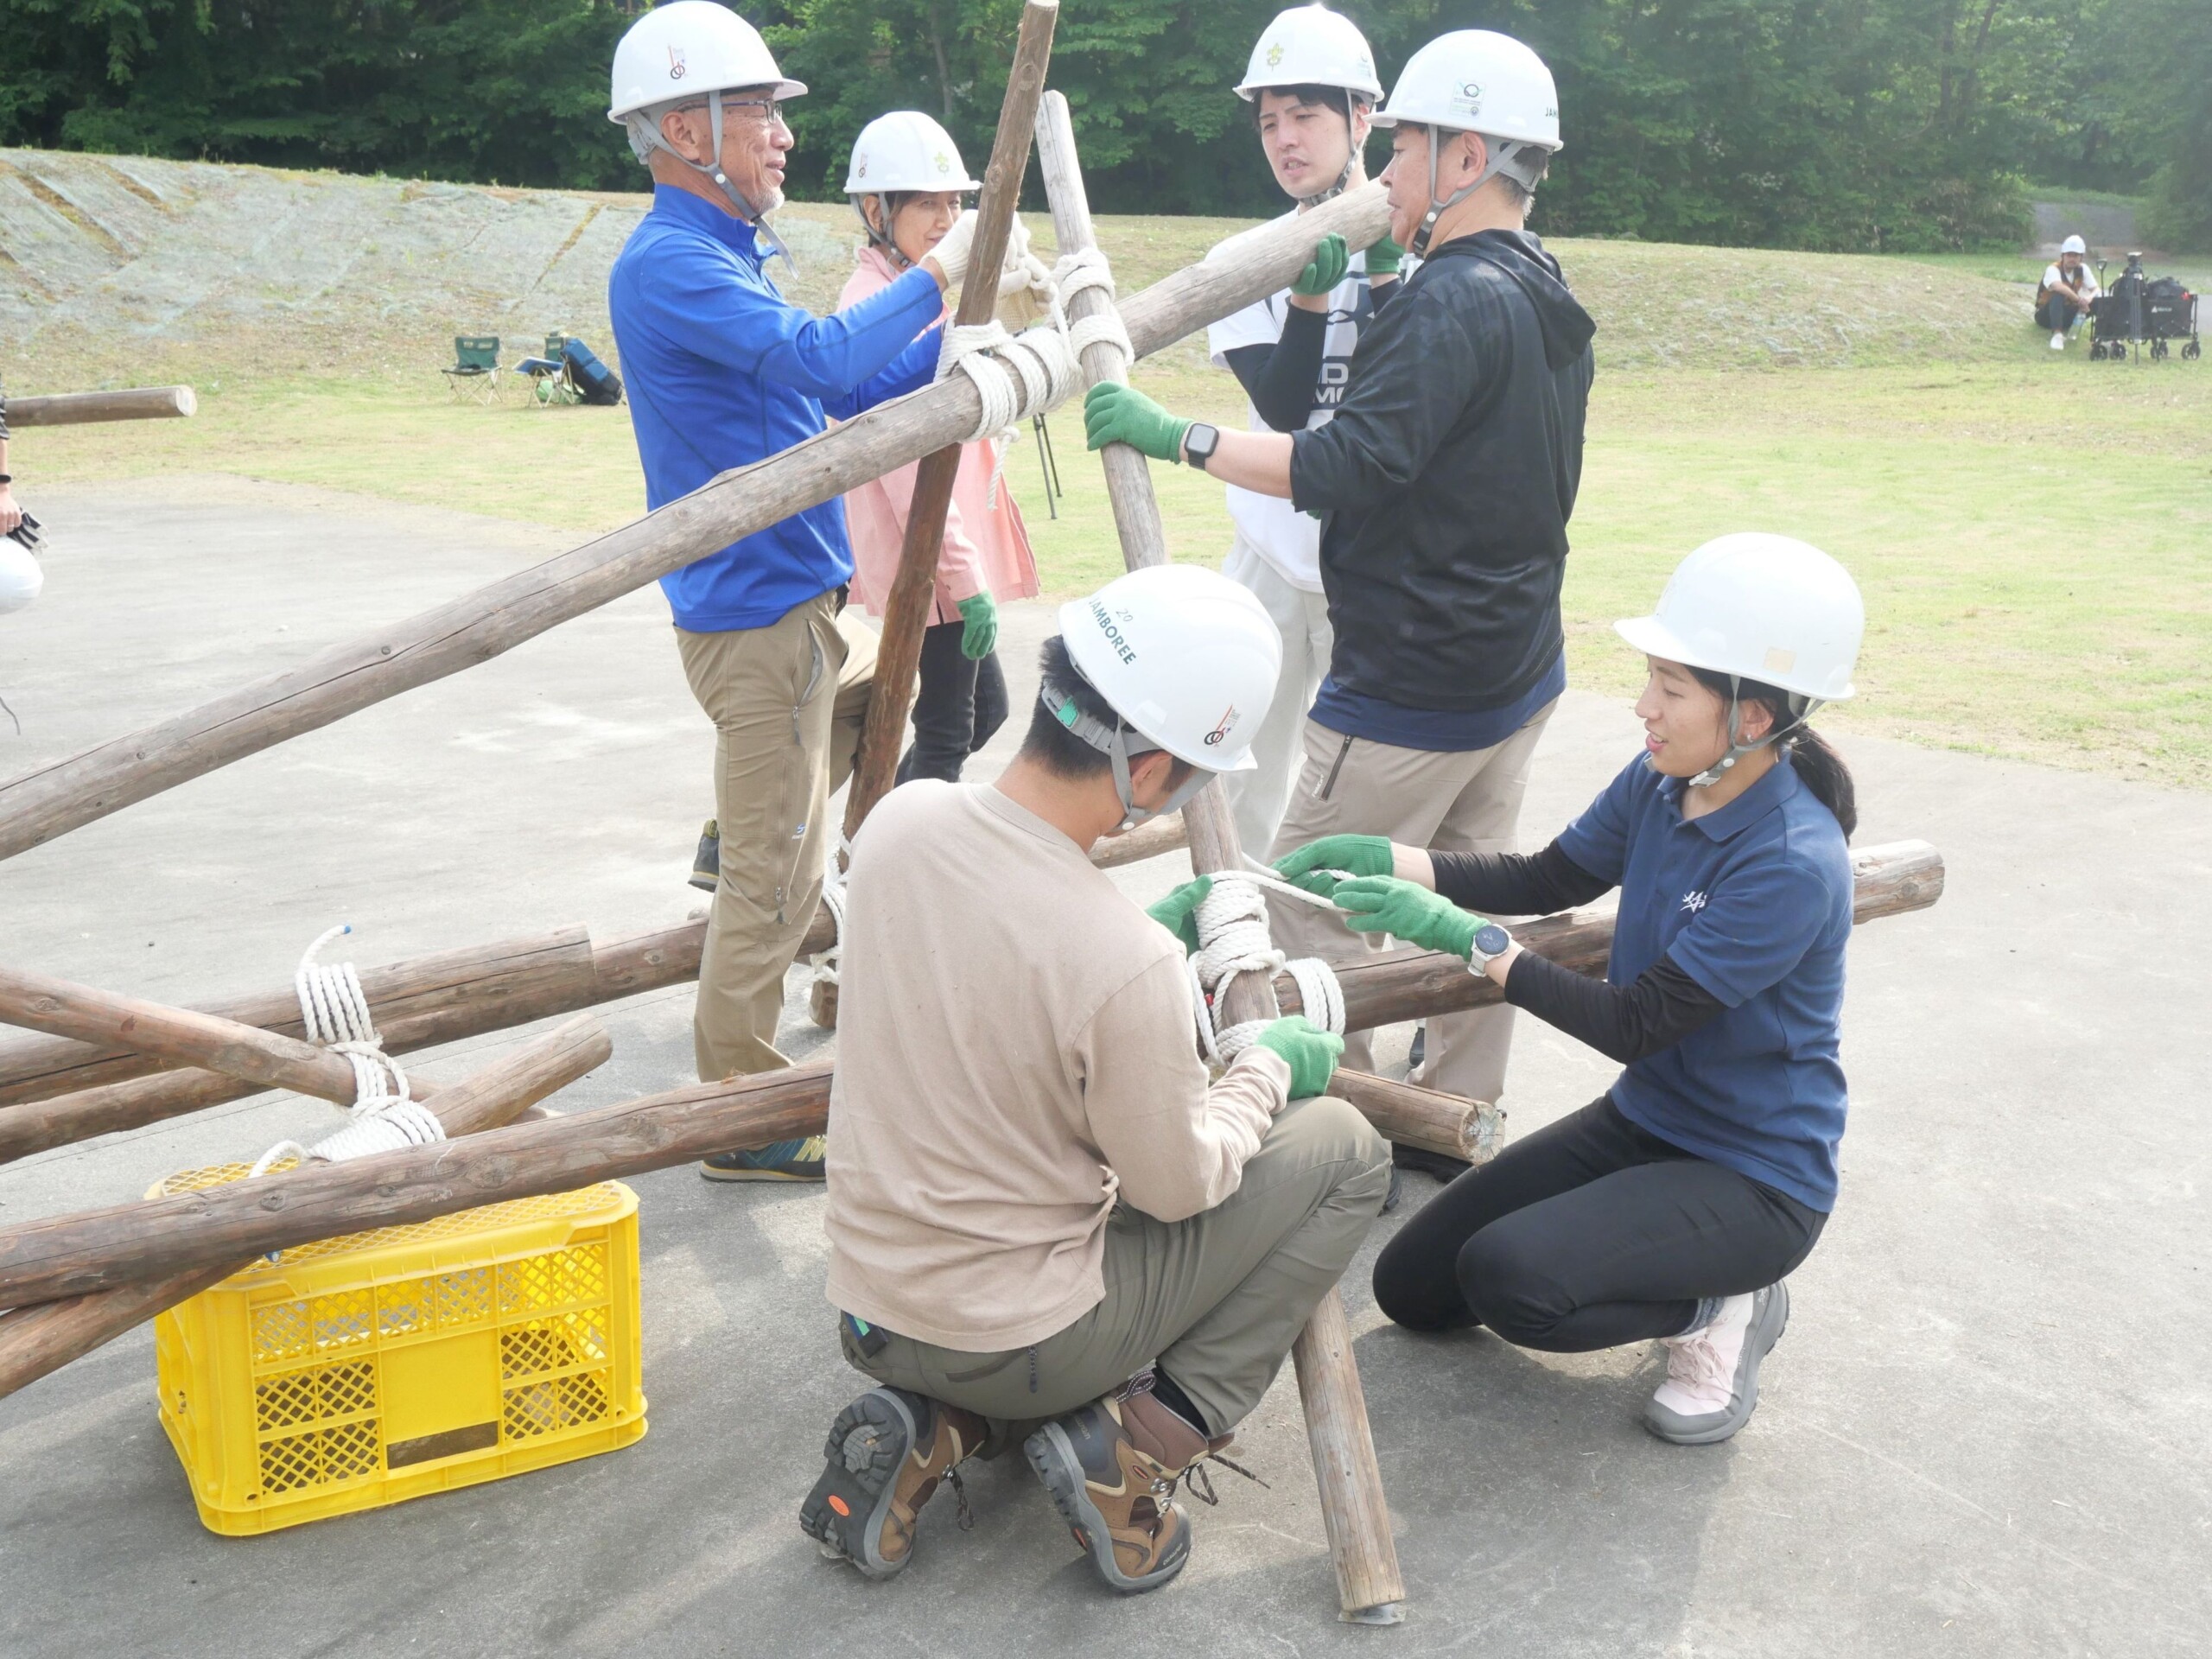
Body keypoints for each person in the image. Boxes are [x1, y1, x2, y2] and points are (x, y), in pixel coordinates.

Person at [801, 564, 1392, 1593]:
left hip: (868, 1312)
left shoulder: (899, 823)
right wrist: (1257, 1069)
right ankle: (1141, 1445)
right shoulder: (1124, 962)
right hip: (1020, 1338)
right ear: (1157, 772)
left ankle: (937, 1427)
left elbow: (984, 972)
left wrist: (1140, 968)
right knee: (1344, 1146)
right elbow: (1176, 1186)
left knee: (1028, 1253)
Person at [1083, 29, 1594, 1158]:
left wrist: (1182, 436)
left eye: (1406, 145)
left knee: (1306, 904)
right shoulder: (1541, 285)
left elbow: (1344, 463)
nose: (1392, 169)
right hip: (1517, 668)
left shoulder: (1451, 297)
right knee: (1463, 902)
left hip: (1414, 679)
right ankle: (1455, 1117)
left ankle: (1335, 1128)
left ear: (1468, 156)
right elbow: (1398, 425)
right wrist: (1339, 299)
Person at [1279, 533, 1863, 1446]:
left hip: (1753, 1176)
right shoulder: (1663, 781)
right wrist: (1400, 861)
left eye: (1670, 689)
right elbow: (1552, 875)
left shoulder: (1789, 862)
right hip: (1645, 1126)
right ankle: (1674, 1273)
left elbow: (1635, 1023)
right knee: (1415, 1289)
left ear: (1751, 717)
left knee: (1516, 1283)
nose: (1644, 708)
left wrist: (1473, 945)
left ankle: (1717, 1307)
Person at [605, 1, 1020, 1180]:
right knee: (773, 874)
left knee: (843, 756)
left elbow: (851, 396)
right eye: (762, 115)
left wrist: (960, 339)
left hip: (794, 608)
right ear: (688, 127)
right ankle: (741, 1110)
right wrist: (939, 269)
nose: (785, 136)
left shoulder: (724, 253)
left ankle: (743, 818)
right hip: (753, 614)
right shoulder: (673, 262)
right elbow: (825, 361)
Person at [1205, 3, 1400, 855]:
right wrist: (1310, 298)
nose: (1285, 139)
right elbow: (1285, 410)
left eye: (1306, 116)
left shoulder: (1421, 247)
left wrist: (1389, 284)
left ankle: (1354, 971)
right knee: (1236, 777)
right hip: (1271, 560)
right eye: (1269, 121)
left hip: (1379, 566)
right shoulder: (1244, 261)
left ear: (1362, 117)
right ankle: (1230, 953)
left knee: (1366, 792)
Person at [839, 110, 1039, 786]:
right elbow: (903, 467)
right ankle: (887, 862)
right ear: (876, 208)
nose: (946, 218)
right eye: (926, 203)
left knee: (985, 714)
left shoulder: (923, 295)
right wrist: (965, 579)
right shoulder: (873, 303)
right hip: (928, 559)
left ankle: (869, 841)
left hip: (941, 559)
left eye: (955, 201)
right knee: (950, 733)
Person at [2037, 234, 2101, 350]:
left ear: (2081, 257)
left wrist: (2089, 299)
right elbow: (2058, 286)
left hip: (2067, 314)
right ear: (2063, 256)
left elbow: (2096, 289)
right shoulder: (2053, 269)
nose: (2072, 259)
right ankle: (2057, 335)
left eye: (2076, 256)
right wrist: (2079, 300)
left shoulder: (2083, 269)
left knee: (2098, 300)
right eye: (2069, 255)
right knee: (2058, 294)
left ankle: (2100, 337)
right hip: (2046, 315)